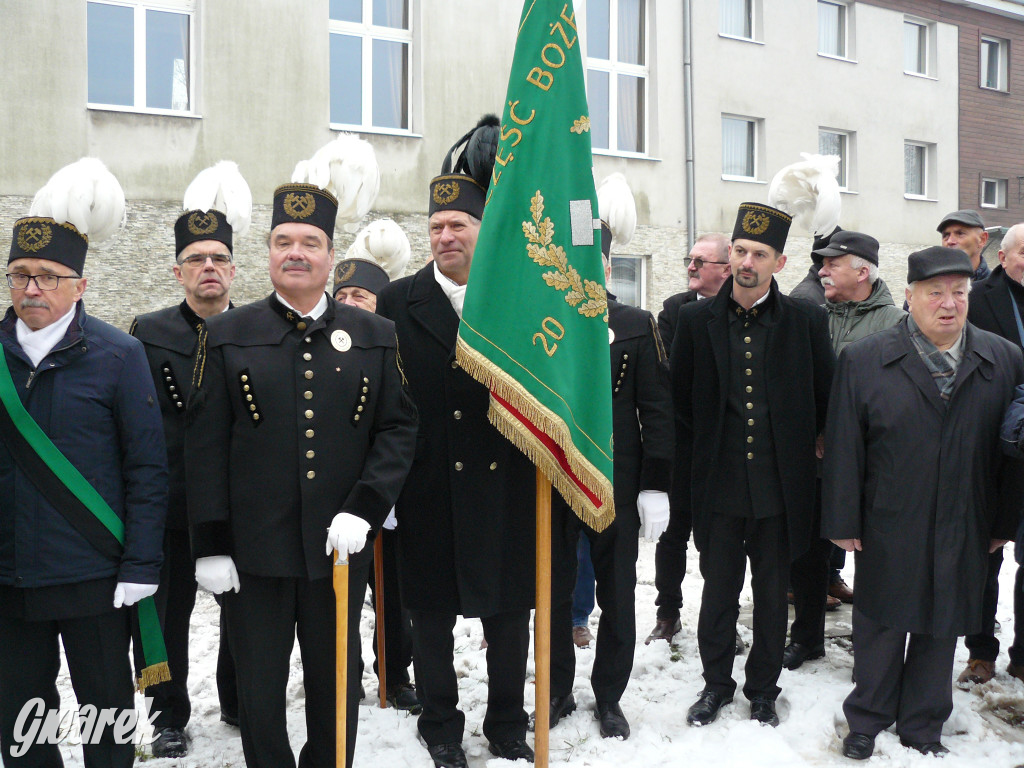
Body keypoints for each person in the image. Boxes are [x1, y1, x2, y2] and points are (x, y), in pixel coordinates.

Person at [185, 178, 418, 768]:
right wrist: (209, 543)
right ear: (267, 255)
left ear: (330, 256)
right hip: (254, 552)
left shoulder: (376, 334)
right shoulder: (226, 334)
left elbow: (397, 429)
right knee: (259, 688)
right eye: (283, 240)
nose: (296, 252)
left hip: (339, 550)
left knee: (336, 682)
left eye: (310, 242)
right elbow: (205, 445)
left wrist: (364, 508)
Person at [376, 116, 537, 768]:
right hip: (429, 484)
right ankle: (440, 724)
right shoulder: (396, 302)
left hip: (506, 487)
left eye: (458, 226)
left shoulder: (518, 298)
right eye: (436, 227)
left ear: (482, 231)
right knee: (431, 619)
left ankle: (506, 724)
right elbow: (383, 402)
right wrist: (385, 486)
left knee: (507, 620)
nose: (445, 236)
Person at [823, 246, 1024, 760]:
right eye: (935, 292)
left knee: (944, 621)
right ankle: (867, 717)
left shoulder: (1002, 359)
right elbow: (845, 445)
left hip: (966, 516)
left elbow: (1011, 455)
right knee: (882, 620)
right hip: (889, 514)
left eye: (959, 292)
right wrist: (843, 520)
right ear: (910, 296)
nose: (949, 303)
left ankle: (923, 722)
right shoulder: (865, 359)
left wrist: (1003, 522)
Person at [0, 159, 168, 767]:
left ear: (81, 285)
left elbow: (147, 468)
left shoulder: (119, 355)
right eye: (20, 275)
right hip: (10, 576)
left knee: (106, 713)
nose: (31, 290)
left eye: (48, 276)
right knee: (22, 721)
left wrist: (141, 563)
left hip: (95, 576)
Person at [676, 202, 835, 729]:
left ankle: (763, 689)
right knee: (718, 593)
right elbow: (680, 405)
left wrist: (816, 442)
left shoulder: (808, 320)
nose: (747, 261)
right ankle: (716, 684)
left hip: (780, 488)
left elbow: (826, 396)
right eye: (740, 251)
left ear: (780, 262)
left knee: (771, 596)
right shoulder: (694, 320)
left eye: (759, 254)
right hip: (718, 486)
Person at [544, 178, 673, 740]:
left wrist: (656, 484)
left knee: (618, 596)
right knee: (549, 593)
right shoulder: (538, 327)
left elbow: (658, 409)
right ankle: (555, 690)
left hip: (617, 482)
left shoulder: (634, 324)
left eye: (593, 258)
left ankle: (610, 696)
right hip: (550, 476)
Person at [129, 162, 248, 757]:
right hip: (169, 505)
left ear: (233, 268)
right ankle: (165, 711)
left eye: (218, 258)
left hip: (238, 505)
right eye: (196, 259)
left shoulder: (257, 331)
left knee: (244, 617)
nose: (209, 268)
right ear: (178, 270)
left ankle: (238, 699)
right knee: (162, 620)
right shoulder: (145, 334)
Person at [783, 231, 905, 671]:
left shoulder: (896, 323)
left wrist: (843, 436)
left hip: (869, 465)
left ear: (863, 270)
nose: (822, 270)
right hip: (815, 464)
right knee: (809, 556)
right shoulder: (815, 317)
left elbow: (893, 398)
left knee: (873, 556)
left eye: (833, 263)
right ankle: (807, 638)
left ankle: (872, 647)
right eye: (823, 263)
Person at [331, 220, 420, 713]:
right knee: (342, 594)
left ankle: (397, 674)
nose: (349, 303)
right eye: (342, 294)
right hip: (340, 496)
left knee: (394, 596)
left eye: (361, 295)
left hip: (394, 491)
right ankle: (347, 676)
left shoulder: (396, 347)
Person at [647, 233, 731, 645]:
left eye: (701, 261)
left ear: (726, 269)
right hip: (682, 443)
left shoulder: (740, 312)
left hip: (724, 448)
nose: (691, 267)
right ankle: (668, 613)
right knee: (672, 535)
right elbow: (667, 374)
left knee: (720, 542)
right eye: (690, 260)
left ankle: (722, 619)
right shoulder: (674, 311)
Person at [956, 223, 1024, 687]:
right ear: (1004, 257)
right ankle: (981, 650)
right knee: (987, 552)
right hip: (992, 448)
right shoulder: (978, 301)